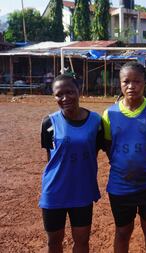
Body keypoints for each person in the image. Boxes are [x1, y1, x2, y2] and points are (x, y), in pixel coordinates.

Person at [102, 61, 146, 253]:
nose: (131, 86)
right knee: (123, 232)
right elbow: (110, 147)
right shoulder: (110, 114)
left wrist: (145, 162)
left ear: (145, 83)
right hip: (121, 185)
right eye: (126, 82)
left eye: (137, 81)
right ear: (120, 84)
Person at [39, 74, 104, 252]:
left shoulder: (96, 122)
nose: (65, 98)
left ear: (79, 91)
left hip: (82, 191)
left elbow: (99, 150)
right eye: (59, 94)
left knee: (82, 242)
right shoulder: (48, 123)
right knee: (54, 242)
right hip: (54, 192)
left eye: (70, 92)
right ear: (54, 97)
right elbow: (51, 158)